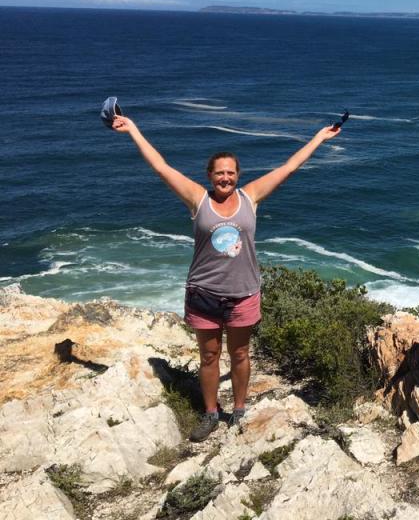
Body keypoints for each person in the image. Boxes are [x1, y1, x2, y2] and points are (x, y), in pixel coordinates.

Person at [112, 114, 342, 441]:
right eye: (219, 172)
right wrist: (133, 129)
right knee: (208, 356)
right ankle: (209, 413)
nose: (225, 177)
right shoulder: (197, 199)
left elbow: (289, 167)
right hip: (204, 293)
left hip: (243, 293)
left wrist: (319, 137)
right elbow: (162, 168)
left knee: (240, 354)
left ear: (237, 175)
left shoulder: (251, 197)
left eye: (230, 172)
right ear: (209, 175)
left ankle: (239, 409)